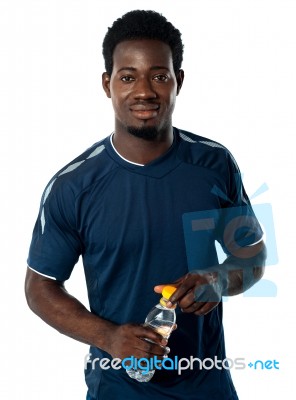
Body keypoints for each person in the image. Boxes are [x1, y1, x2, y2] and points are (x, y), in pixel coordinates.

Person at [25, 10, 266, 400]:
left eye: (158, 75)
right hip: (119, 386)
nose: (144, 90)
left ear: (178, 82)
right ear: (107, 84)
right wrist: (108, 336)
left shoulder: (215, 163)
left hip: (208, 383)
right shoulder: (73, 186)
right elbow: (39, 286)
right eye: (127, 76)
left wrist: (218, 280)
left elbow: (252, 254)